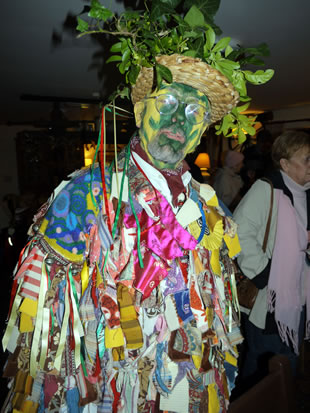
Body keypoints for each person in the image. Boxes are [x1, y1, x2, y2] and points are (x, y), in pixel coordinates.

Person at [2, 54, 243, 412]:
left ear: (201, 133)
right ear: (141, 110)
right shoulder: (83, 196)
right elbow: (45, 336)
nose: (180, 120)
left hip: (193, 383)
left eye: (195, 112)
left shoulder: (207, 202)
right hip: (112, 391)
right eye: (169, 103)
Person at [233, 130, 310, 384]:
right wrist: (266, 275)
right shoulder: (267, 189)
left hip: (298, 296)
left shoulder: (305, 193)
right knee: (262, 370)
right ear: (285, 164)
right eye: (307, 159)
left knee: (287, 363)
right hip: (270, 299)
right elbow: (238, 232)